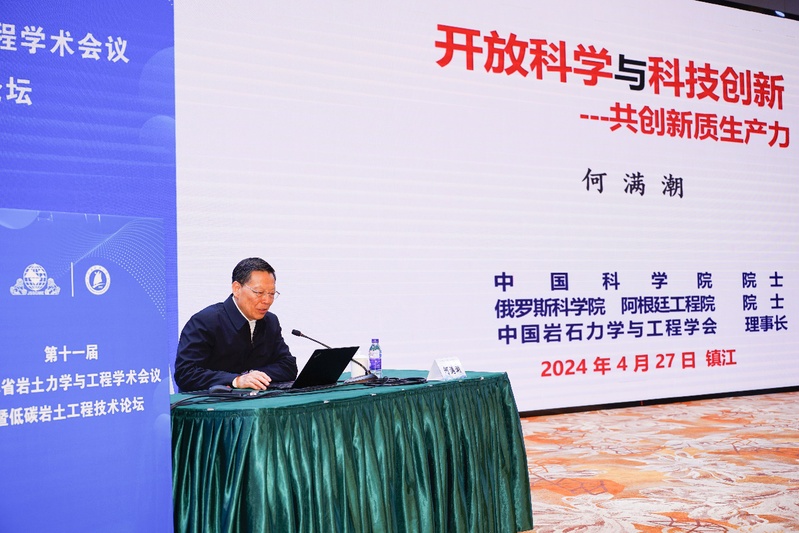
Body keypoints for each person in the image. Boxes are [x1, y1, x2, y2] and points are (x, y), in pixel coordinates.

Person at [174, 257, 298, 392]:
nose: (267, 300)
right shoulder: (205, 321)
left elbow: (288, 366)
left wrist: (252, 375)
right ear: (237, 289)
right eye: (259, 293)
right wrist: (236, 380)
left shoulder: (270, 321)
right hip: (213, 402)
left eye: (271, 294)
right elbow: (186, 373)